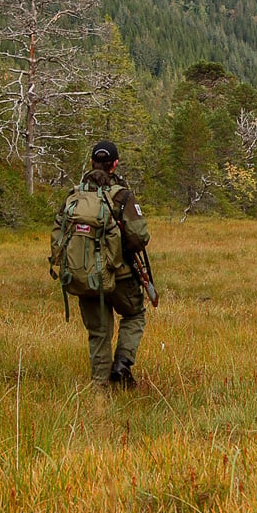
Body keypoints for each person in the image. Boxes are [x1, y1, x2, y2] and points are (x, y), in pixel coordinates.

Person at [54, 139, 151, 389]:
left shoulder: (74, 196)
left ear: (91, 163)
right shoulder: (122, 196)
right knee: (135, 313)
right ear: (115, 165)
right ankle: (122, 363)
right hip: (119, 276)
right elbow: (140, 237)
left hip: (84, 276)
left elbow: (59, 233)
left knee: (98, 333)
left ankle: (99, 389)